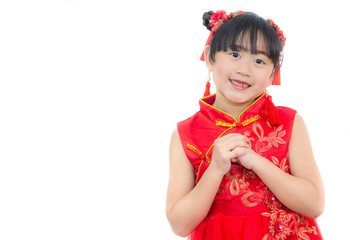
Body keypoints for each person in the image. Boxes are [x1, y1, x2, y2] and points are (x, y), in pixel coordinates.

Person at [166, 10, 324, 240]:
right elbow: (179, 225)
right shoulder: (186, 134)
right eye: (234, 54)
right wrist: (216, 168)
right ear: (210, 57)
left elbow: (314, 204)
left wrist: (255, 161)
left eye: (259, 61)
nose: (245, 70)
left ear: (273, 73)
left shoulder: (289, 122)